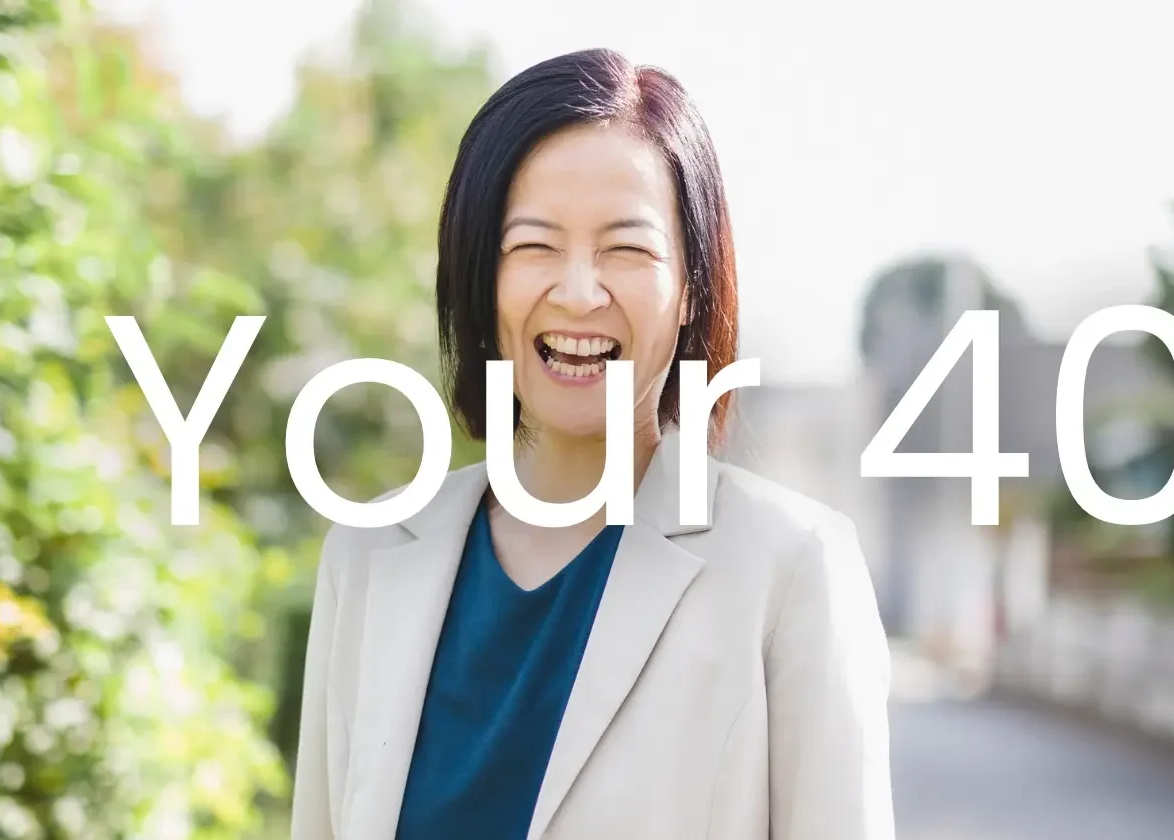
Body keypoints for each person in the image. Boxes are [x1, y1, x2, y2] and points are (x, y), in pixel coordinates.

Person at [288, 47, 893, 840]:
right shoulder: (365, 559)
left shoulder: (790, 568)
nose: (578, 292)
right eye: (533, 245)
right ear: (478, 278)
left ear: (690, 290)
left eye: (627, 248)